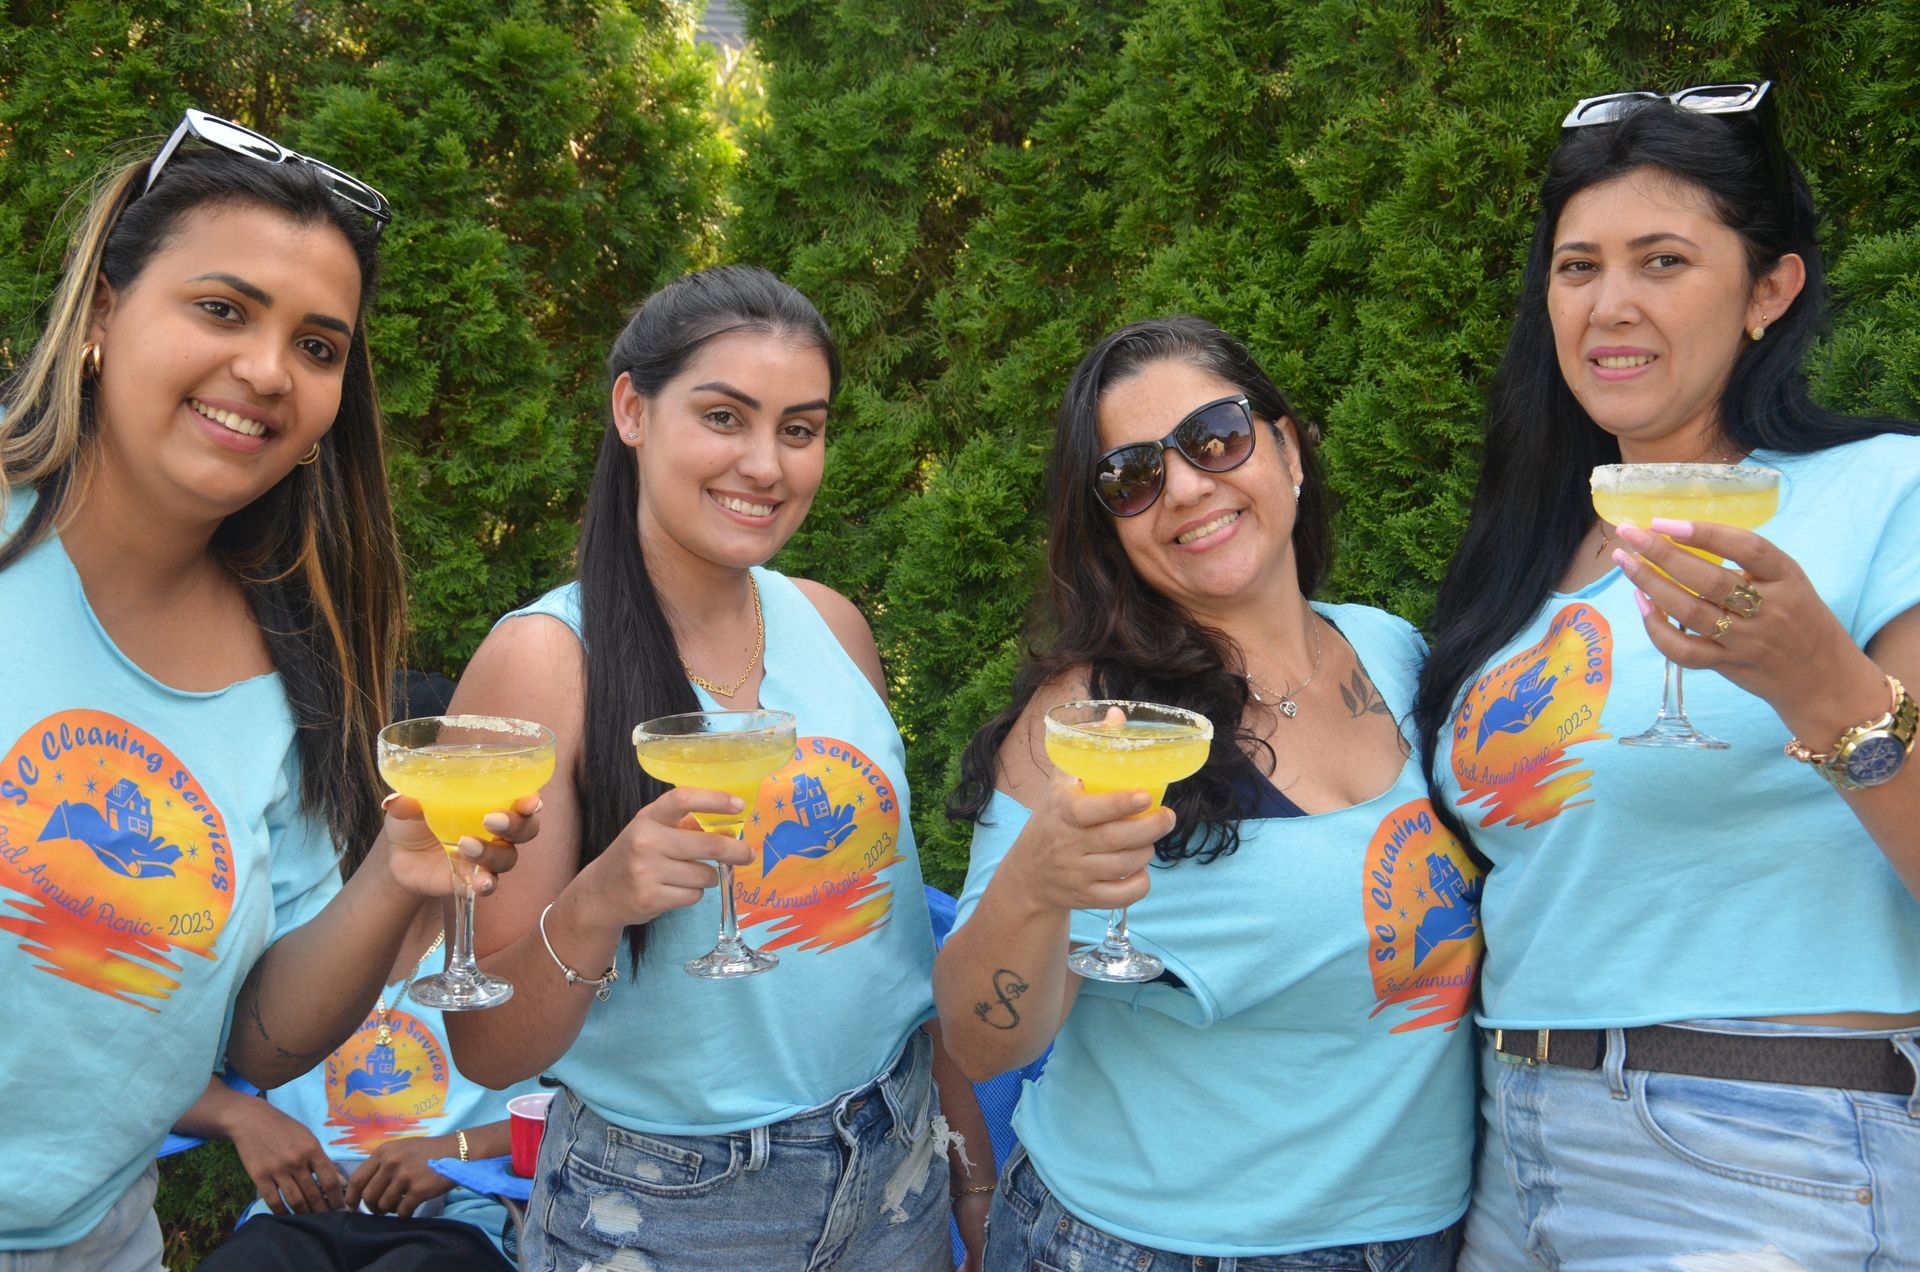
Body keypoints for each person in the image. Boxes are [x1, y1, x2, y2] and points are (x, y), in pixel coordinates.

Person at [0, 110, 532, 1269]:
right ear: (100, 316)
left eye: (319, 346)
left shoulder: (292, 665)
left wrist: (399, 875)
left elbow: (259, 1030)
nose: (266, 370)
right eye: (222, 308)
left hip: (94, 1240)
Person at [1410, 82, 1920, 1268]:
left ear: (1770, 290)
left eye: (1663, 260)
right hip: (1511, 1140)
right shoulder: (1532, 564)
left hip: (1765, 1152)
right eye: (1577, 267)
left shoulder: (1885, 494)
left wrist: (1820, 688)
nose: (1610, 305)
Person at [440, 265, 990, 1272]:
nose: (767, 464)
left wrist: (971, 1176)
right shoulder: (540, 664)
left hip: (894, 1166)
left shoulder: (833, 627)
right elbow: (487, 1047)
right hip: (670, 1207)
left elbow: (894, 957)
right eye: (725, 416)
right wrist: (600, 900)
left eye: (799, 428)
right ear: (632, 410)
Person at [935, 316, 1477, 1271]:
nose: (1185, 486)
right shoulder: (1091, 720)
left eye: (1215, 437)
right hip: (1148, 1248)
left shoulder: (1391, 652)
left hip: (1420, 1234)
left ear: (1290, 449)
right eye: (1133, 477)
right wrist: (1035, 885)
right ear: (1110, 527)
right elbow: (981, 1043)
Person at [176, 890, 539, 1271]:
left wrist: (460, 1150)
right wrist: (242, 1115)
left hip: (465, 1221)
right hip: (297, 1218)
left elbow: (590, 1116)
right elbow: (140, 1079)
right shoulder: (293, 909)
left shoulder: (518, 929)